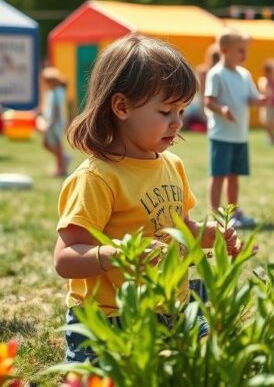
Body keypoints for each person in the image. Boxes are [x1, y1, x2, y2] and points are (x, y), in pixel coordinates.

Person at [53, 34, 241, 363]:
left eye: (181, 110)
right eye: (166, 111)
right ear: (121, 106)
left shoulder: (172, 165)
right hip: (110, 320)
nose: (177, 122)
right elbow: (66, 258)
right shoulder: (97, 178)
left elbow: (177, 227)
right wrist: (120, 253)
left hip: (170, 304)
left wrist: (207, 236)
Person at [203, 27, 266, 229]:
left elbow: (251, 99)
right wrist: (222, 109)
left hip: (240, 135)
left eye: (245, 50)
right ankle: (215, 213)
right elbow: (208, 101)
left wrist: (262, 101)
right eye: (240, 50)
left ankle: (233, 211)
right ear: (224, 50)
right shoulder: (216, 74)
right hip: (221, 135)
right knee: (219, 175)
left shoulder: (244, 74)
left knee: (233, 175)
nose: (244, 55)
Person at [38, 66, 70, 177]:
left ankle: (61, 168)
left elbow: (56, 110)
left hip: (54, 123)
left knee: (56, 145)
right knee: (46, 144)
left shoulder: (57, 92)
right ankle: (63, 159)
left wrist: (50, 124)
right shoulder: (51, 91)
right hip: (51, 122)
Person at [257, 59, 274, 145]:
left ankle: (273, 138)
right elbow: (263, 88)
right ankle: (272, 139)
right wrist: (267, 91)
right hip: (268, 105)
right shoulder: (264, 80)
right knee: (267, 122)